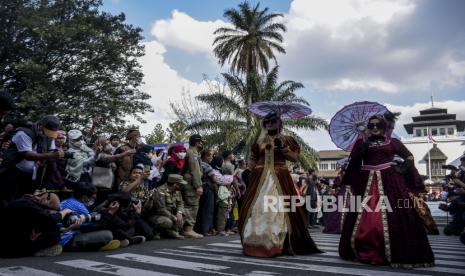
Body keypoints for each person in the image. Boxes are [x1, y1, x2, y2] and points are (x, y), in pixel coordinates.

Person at [339, 113, 434, 268]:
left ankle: (396, 250)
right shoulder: (361, 143)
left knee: (398, 215)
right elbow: (354, 162)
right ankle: (365, 248)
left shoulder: (394, 142)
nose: (375, 128)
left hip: (391, 181)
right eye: (371, 126)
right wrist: (362, 144)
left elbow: (409, 156)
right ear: (368, 128)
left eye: (378, 125)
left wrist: (402, 169)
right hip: (365, 183)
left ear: (384, 128)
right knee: (365, 217)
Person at [238, 112, 321, 257]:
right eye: (267, 121)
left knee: (278, 209)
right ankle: (256, 242)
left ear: (279, 123)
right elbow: (253, 159)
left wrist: (283, 147)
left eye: (274, 121)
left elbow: (294, 158)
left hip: (280, 177)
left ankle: (276, 243)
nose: (270, 123)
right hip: (259, 179)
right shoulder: (259, 141)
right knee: (257, 209)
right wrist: (246, 172)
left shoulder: (287, 139)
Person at [7, 115, 65, 198]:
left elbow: (48, 151)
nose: (48, 135)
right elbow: (28, 155)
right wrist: (52, 155)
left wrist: (42, 159)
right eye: (47, 132)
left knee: (27, 197)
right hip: (15, 172)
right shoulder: (24, 133)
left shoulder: (49, 135)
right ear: (40, 125)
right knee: (12, 196)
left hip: (33, 174)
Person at [60, 181, 120, 251]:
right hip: (67, 240)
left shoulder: (66, 201)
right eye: (93, 198)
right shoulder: (80, 207)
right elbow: (95, 227)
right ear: (84, 197)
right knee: (108, 234)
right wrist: (110, 212)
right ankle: (96, 246)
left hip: (62, 235)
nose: (93, 200)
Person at [144, 174, 190, 239]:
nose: (182, 186)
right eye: (180, 184)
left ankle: (173, 230)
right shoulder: (160, 191)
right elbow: (161, 210)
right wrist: (173, 217)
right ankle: (157, 231)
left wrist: (179, 212)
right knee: (167, 221)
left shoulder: (177, 191)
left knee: (185, 212)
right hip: (157, 215)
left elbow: (180, 203)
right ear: (175, 184)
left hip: (170, 213)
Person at [181, 134, 204, 238]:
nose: (202, 144)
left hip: (189, 183)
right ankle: (188, 229)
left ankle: (186, 228)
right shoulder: (191, 153)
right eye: (201, 142)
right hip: (191, 184)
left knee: (190, 205)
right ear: (197, 142)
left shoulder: (193, 153)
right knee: (192, 206)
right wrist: (198, 185)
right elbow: (194, 171)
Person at [197, 150, 218, 236]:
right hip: (208, 188)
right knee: (208, 209)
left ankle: (203, 228)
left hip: (202, 187)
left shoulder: (199, 164)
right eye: (210, 156)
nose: (211, 158)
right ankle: (206, 230)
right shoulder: (206, 165)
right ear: (206, 156)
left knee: (202, 209)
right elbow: (214, 179)